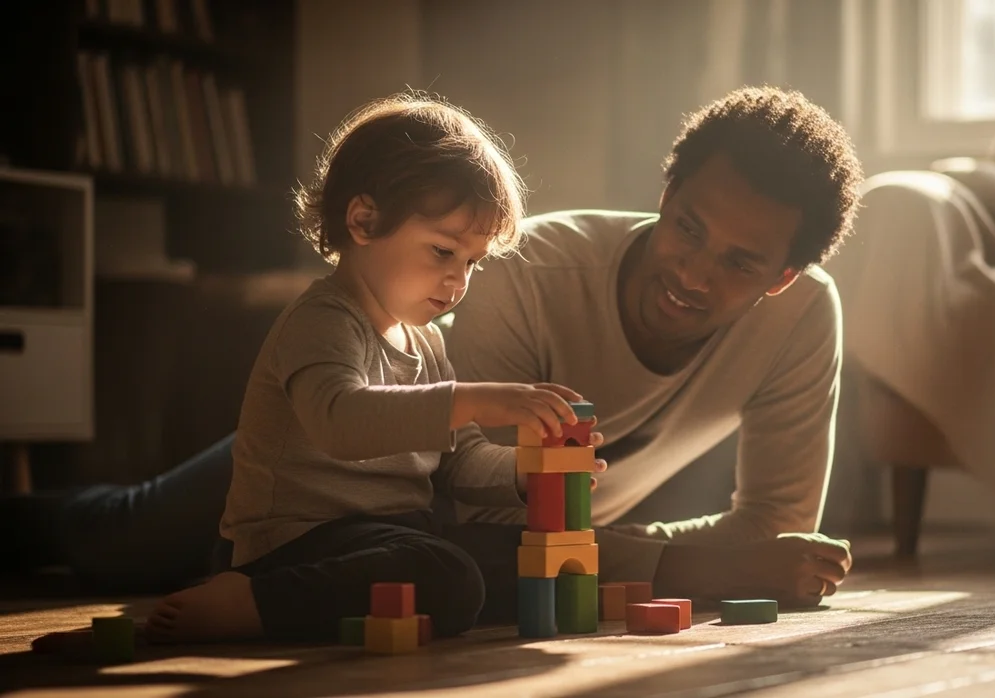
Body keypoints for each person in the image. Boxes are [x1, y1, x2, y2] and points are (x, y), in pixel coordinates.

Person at [10, 85, 862, 617]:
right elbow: (461, 500)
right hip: (323, 454)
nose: (692, 272)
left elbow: (770, 534)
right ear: (665, 194)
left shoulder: (799, 320)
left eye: (741, 263)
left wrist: (604, 537)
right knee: (115, 539)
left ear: (782, 277)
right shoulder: (517, 270)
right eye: (687, 228)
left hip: (407, 483)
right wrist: (686, 564)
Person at [143, 92, 605, 644]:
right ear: (363, 221)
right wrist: (477, 398)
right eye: (442, 252)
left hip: (392, 539)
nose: (459, 281)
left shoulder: (427, 341)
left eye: (472, 263)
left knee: (517, 558)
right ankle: (251, 600)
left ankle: (359, 603)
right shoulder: (322, 319)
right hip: (297, 542)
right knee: (448, 575)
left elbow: (458, 465)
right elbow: (340, 421)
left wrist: (527, 472)